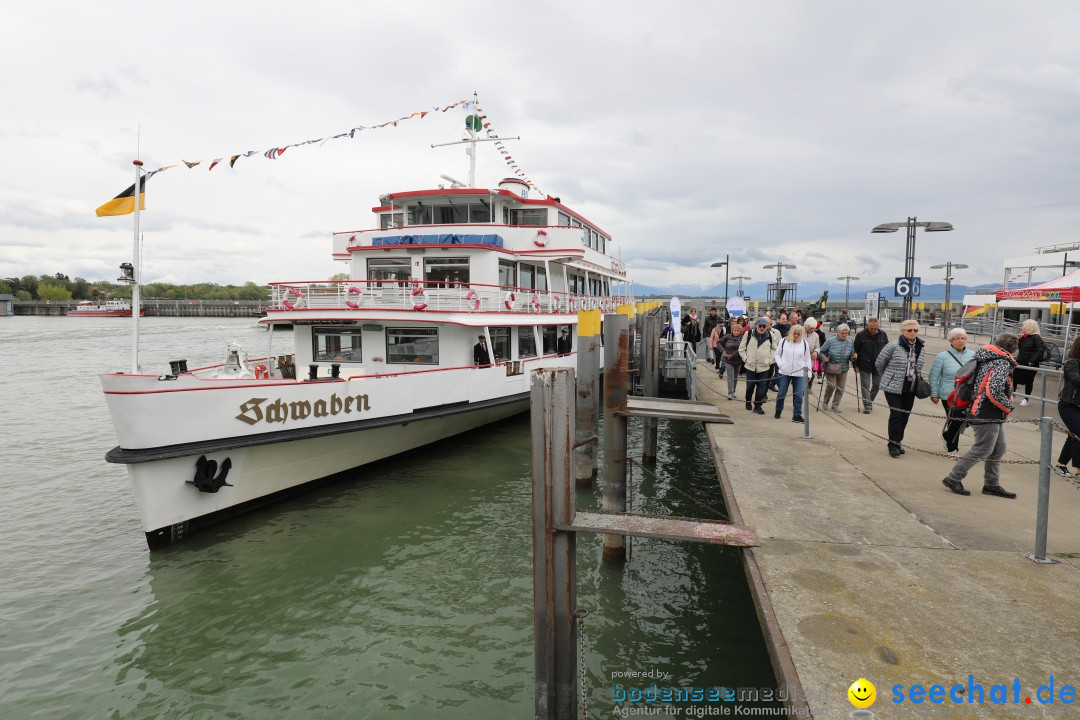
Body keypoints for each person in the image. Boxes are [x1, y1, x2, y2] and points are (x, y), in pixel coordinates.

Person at [942, 333, 1019, 498]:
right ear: (1014, 349)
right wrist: (1009, 407)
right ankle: (953, 478)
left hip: (984, 410)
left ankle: (991, 484)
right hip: (986, 411)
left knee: (998, 448)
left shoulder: (987, 358)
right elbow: (994, 391)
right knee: (982, 448)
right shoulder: (1001, 362)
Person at [876, 319, 926, 458]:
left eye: (915, 330)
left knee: (905, 416)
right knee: (896, 415)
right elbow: (880, 363)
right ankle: (892, 444)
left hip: (910, 387)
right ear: (902, 331)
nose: (912, 332)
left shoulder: (920, 347)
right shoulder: (893, 346)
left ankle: (898, 442)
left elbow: (918, 368)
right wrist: (889, 376)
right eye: (909, 330)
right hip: (892, 387)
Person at [928, 327, 976, 456]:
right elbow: (934, 376)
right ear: (950, 341)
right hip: (948, 394)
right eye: (956, 339)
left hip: (966, 394)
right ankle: (952, 449)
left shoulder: (973, 355)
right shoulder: (942, 356)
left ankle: (946, 435)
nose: (960, 341)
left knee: (965, 421)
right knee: (955, 420)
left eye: (963, 338)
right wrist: (934, 393)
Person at [739, 317, 780, 414]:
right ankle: (748, 400)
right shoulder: (748, 334)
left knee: (762, 388)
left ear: (767, 327)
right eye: (760, 326)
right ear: (756, 325)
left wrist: (770, 360)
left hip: (764, 366)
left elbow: (774, 350)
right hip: (750, 365)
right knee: (750, 386)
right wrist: (746, 359)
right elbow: (741, 348)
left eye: (764, 326)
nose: (761, 328)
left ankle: (758, 406)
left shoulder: (771, 336)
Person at [774, 324, 811, 422]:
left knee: (799, 394)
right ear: (791, 332)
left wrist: (809, 373)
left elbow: (807, 359)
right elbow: (777, 354)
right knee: (782, 393)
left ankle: (797, 414)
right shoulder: (783, 341)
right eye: (794, 333)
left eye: (798, 334)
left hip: (799, 372)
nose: (796, 336)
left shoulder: (804, 343)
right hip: (785, 371)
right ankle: (778, 410)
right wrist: (781, 364)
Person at [1054, 335, 1080, 476]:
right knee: (1078, 435)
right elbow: (1076, 380)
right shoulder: (1072, 363)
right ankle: (1079, 470)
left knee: (1073, 435)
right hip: (1069, 405)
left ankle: (1061, 464)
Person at [852, 317, 889, 414]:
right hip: (864, 364)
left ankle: (870, 400)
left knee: (877, 385)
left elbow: (887, 350)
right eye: (871, 328)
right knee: (865, 386)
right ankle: (867, 405)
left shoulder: (883, 335)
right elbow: (854, 350)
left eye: (875, 328)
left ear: (878, 326)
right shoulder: (861, 335)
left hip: (878, 365)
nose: (873, 330)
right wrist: (854, 365)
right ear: (867, 325)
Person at [818, 323, 854, 412]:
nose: (844, 335)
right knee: (832, 385)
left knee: (840, 388)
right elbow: (821, 352)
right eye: (842, 333)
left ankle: (835, 406)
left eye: (846, 333)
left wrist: (853, 357)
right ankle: (825, 402)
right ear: (838, 332)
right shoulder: (830, 341)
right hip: (831, 367)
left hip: (844, 368)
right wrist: (824, 358)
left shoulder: (850, 342)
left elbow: (851, 355)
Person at [1014, 319, 1046, 406]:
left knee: (1029, 381)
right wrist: (1018, 339)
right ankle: (1012, 395)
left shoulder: (1036, 337)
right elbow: (1018, 348)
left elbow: (1041, 350)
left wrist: (1033, 361)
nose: (1021, 327)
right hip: (1020, 361)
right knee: (1014, 378)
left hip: (1030, 363)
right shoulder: (1023, 337)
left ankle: (1026, 399)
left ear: (1028, 327)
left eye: (1023, 325)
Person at [718, 319, 744, 399]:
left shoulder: (742, 338)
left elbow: (741, 349)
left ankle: (733, 392)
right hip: (728, 360)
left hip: (738, 360)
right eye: (735, 330)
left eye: (738, 331)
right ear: (732, 330)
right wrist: (723, 350)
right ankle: (730, 393)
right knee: (730, 376)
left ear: (740, 332)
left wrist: (732, 355)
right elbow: (719, 342)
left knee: (735, 377)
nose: (736, 332)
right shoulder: (728, 336)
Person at [803, 317, 822, 390]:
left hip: (810, 358)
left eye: (813, 328)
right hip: (800, 358)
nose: (812, 330)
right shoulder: (800, 331)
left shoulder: (816, 335)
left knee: (811, 374)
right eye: (810, 328)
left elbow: (817, 346)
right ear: (806, 325)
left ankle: (809, 388)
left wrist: (816, 352)